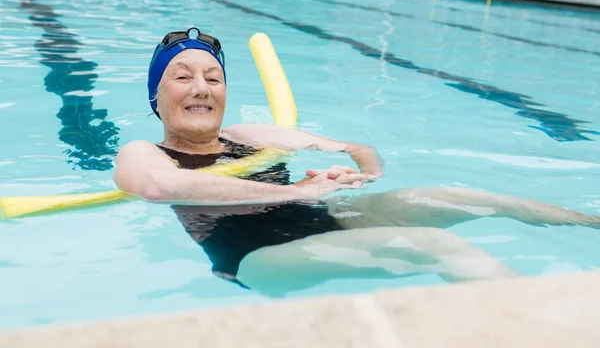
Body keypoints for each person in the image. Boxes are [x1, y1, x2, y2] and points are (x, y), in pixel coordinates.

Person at [114, 27, 599, 295]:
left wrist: (359, 175)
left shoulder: (247, 135)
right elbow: (158, 188)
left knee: (458, 197)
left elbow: (355, 147)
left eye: (213, 78)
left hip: (321, 218)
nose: (201, 87)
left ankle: (590, 222)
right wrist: (297, 192)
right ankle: (544, 323)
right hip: (252, 259)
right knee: (433, 244)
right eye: (182, 76)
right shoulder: (146, 152)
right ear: (157, 97)